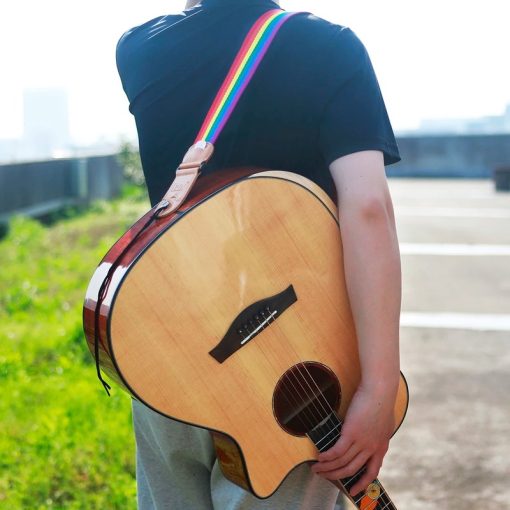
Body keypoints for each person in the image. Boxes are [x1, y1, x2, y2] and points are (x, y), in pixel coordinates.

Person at [116, 0, 402, 508]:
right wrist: (378, 389)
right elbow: (369, 209)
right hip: (289, 358)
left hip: (165, 343)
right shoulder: (330, 48)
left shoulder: (140, 50)